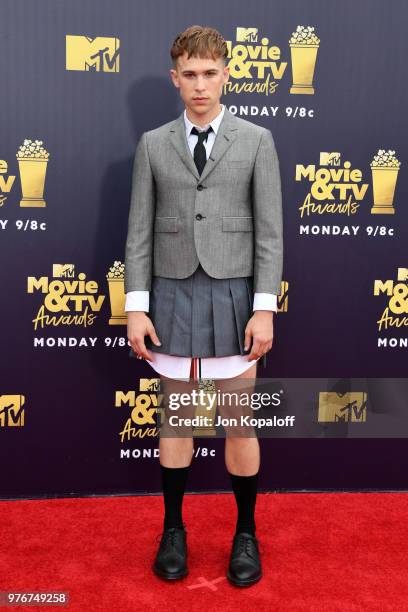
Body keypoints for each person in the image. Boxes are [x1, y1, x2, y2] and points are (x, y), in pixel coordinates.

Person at [124, 25, 283, 587]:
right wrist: (135, 308)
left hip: (234, 298)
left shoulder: (258, 140)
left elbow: (270, 232)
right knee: (176, 419)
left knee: (239, 422)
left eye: (210, 73)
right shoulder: (152, 144)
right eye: (189, 75)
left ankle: (246, 533)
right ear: (175, 78)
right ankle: (174, 529)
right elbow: (138, 232)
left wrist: (264, 308)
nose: (200, 85)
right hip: (168, 296)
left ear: (226, 75)